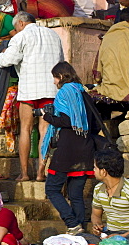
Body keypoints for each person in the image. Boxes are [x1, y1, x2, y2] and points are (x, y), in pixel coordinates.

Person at [0, 11, 64, 182]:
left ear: (21, 23)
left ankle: (25, 173)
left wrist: (1, 54)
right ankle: (41, 173)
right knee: (45, 131)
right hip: (50, 90)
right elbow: (61, 62)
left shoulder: (21, 37)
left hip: (28, 89)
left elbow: (7, 60)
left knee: (25, 129)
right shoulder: (54, 35)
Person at [42, 62, 102, 234]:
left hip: (67, 151)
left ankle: (71, 223)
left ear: (61, 76)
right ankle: (79, 229)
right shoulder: (84, 93)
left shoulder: (64, 93)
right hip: (85, 150)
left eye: (54, 77)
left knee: (52, 189)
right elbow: (95, 124)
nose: (54, 82)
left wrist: (48, 117)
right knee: (76, 194)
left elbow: (67, 121)